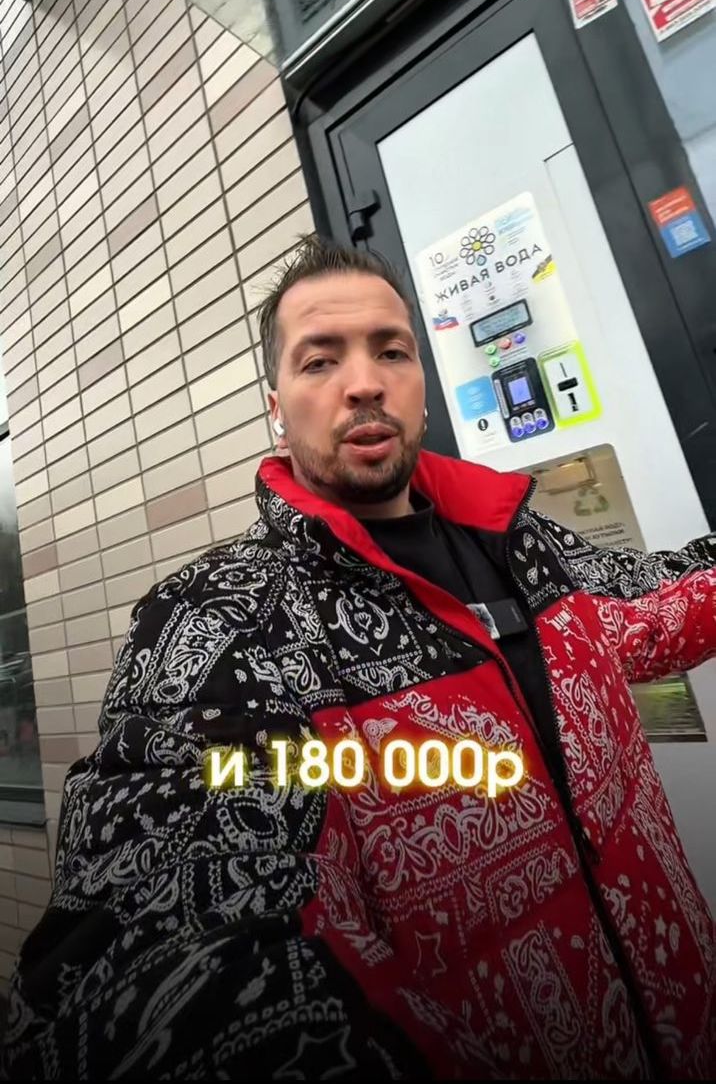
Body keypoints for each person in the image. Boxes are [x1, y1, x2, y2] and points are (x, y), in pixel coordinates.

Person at [3, 235, 715, 1081]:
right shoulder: (223, 626)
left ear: (421, 389)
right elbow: (162, 909)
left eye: (391, 351)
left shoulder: (527, 547)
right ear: (277, 406)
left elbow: (657, 604)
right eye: (320, 360)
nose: (365, 381)